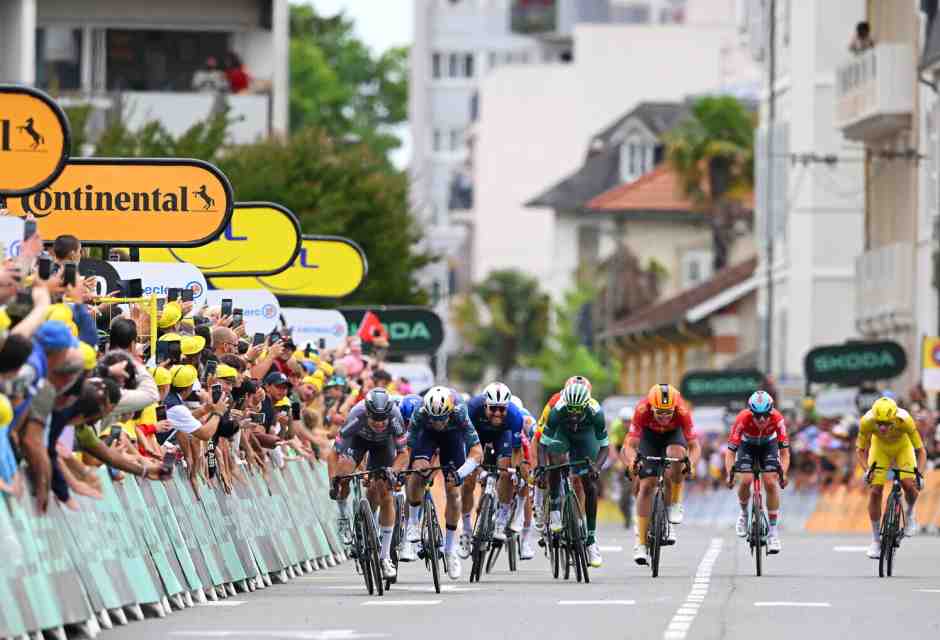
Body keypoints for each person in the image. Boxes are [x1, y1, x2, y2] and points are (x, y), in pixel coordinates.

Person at [400, 386, 482, 580]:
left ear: (450, 412)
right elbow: (408, 447)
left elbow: (477, 451)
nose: (438, 423)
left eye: (441, 419)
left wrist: (461, 473)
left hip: (452, 438)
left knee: (453, 493)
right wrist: (405, 470)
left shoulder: (460, 411)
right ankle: (412, 522)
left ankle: (450, 548)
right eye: (434, 419)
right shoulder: (420, 412)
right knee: (418, 470)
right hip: (425, 437)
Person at [330, 387, 407, 580]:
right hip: (358, 442)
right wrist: (334, 480)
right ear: (367, 413)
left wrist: (393, 471)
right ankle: (342, 515)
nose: (380, 423)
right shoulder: (356, 415)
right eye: (375, 419)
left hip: (383, 447)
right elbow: (334, 453)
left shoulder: (395, 416)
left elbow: (404, 454)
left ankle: (385, 557)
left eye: (383, 419)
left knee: (385, 493)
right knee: (344, 472)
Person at [623, 383, 700, 565]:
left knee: (677, 456)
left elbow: (695, 446)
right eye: (660, 413)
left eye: (668, 412)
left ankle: (675, 503)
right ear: (651, 407)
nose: (664, 417)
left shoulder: (682, 410)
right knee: (647, 485)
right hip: (649, 438)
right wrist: (634, 460)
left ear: (675, 407)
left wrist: (691, 464)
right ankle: (641, 543)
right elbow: (630, 445)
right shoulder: (642, 409)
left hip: (673, 436)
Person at [540, 381, 608, 568]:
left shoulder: (596, 412)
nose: (574, 414)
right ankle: (554, 507)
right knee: (555, 462)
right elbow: (543, 444)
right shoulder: (557, 410)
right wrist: (541, 467)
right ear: (565, 405)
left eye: (579, 410)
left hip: (586, 437)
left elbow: (604, 447)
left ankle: (591, 540)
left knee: (590, 485)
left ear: (586, 405)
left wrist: (597, 467)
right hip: (563, 434)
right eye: (571, 410)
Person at [460, 382, 526, 559]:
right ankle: (466, 531)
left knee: (506, 472)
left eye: (501, 409)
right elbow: (466, 447)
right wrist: (477, 468)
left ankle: (501, 519)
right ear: (485, 405)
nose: (497, 413)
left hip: (501, 437)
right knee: (468, 480)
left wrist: (517, 472)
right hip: (477, 437)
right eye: (493, 409)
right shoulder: (472, 409)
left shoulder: (514, 416)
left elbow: (517, 451)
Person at [857, 397, 926, 559]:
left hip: (903, 448)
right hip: (880, 449)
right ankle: (875, 540)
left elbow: (921, 451)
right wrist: (867, 471)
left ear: (895, 418)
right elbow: (860, 450)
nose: (882, 428)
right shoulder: (866, 421)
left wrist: (920, 474)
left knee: (909, 485)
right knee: (875, 491)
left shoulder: (905, 420)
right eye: (879, 423)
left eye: (887, 424)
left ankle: (909, 514)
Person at [724, 390, 790, 554]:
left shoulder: (778, 419)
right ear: (750, 412)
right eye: (757, 415)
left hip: (769, 445)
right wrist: (729, 474)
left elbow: (785, 454)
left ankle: (773, 533)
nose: (762, 419)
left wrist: (784, 473)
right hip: (747, 446)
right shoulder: (742, 419)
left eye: (765, 415)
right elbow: (730, 452)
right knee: (745, 480)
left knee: (770, 482)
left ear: (771, 412)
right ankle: (744, 514)